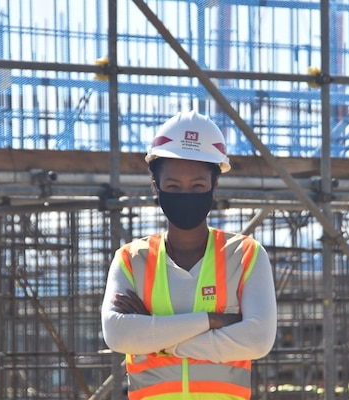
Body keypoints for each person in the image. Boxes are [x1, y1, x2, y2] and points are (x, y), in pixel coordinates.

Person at [101, 110, 277, 400]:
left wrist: (159, 340)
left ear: (214, 186)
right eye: (173, 186)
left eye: (197, 186)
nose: (185, 193)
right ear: (156, 186)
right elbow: (118, 335)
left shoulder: (246, 256)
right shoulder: (131, 260)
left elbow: (257, 341)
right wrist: (212, 321)